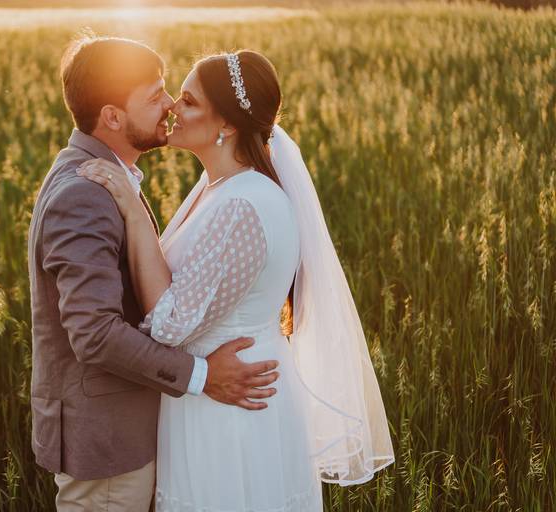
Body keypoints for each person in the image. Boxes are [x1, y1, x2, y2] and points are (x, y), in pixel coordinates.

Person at [78, 49, 395, 511]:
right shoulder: (216, 190)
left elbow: (169, 326)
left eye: (188, 100)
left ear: (225, 124)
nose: (173, 107)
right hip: (212, 396)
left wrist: (133, 210)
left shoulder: (243, 205)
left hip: (232, 413)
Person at [27, 37, 281, 512]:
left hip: (128, 437)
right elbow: (95, 334)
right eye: (154, 96)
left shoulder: (108, 175)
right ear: (113, 117)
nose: (169, 105)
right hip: (109, 447)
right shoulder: (85, 193)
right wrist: (203, 376)